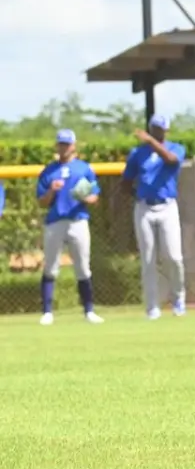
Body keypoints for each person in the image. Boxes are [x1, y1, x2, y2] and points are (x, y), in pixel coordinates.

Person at [122, 114, 188, 319]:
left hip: (167, 206)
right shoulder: (137, 153)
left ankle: (178, 300)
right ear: (151, 127)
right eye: (156, 128)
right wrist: (138, 195)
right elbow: (126, 181)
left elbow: (171, 160)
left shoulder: (176, 148)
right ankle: (152, 306)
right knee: (148, 259)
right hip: (144, 207)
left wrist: (151, 142)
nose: (159, 131)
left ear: (167, 130)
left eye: (162, 128)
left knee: (173, 257)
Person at [35, 129, 104, 325]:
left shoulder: (83, 168)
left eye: (67, 144)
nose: (64, 147)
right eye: (61, 144)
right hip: (55, 221)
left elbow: (95, 197)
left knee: (83, 267)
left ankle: (89, 311)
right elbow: (41, 202)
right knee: (50, 267)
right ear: (56, 146)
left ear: (73, 146)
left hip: (78, 220)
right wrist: (51, 191)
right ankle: (47, 312)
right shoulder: (49, 171)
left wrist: (86, 197)